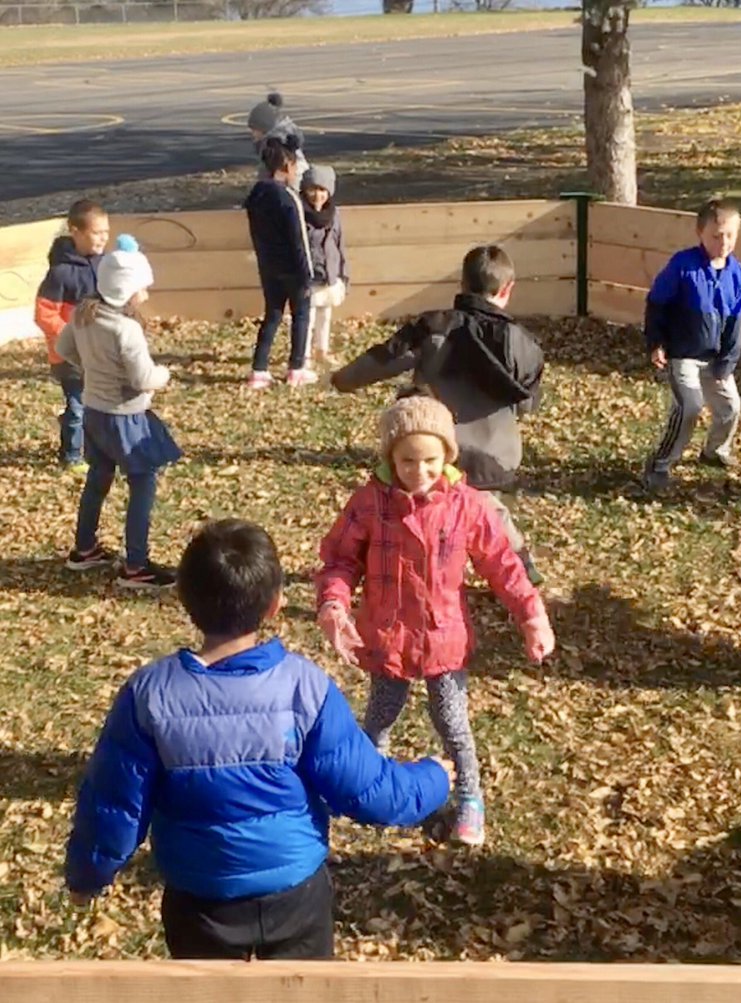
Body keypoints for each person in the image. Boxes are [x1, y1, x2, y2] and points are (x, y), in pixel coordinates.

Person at [64, 518, 451, 960]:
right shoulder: (305, 687)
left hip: (199, 900)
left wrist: (87, 876)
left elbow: (114, 805)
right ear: (276, 605)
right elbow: (370, 791)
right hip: (295, 898)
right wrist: (434, 778)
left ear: (183, 598)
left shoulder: (150, 693)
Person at [315, 394, 555, 847]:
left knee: (451, 720)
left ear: (447, 456)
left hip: (443, 637)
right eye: (407, 461)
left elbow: (502, 563)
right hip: (387, 637)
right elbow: (340, 560)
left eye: (429, 460)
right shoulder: (370, 504)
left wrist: (532, 614)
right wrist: (334, 604)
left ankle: (469, 797)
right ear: (390, 457)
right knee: (380, 717)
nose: (419, 472)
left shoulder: (468, 506)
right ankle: (366, 789)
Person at [330, 244, 546, 584]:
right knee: (485, 508)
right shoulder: (525, 344)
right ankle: (521, 569)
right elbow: (528, 404)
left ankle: (394, 565)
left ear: (461, 284)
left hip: (435, 449)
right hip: (497, 455)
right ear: (507, 290)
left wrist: (343, 380)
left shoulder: (434, 327)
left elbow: (385, 359)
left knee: (412, 499)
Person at [57, 236, 180, 591]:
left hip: (95, 411)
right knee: (143, 483)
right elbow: (143, 379)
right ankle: (137, 565)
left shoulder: (84, 314)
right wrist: (164, 375)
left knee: (99, 476)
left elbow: (64, 347)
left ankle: (84, 548)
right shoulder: (127, 330)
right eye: (143, 288)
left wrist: (94, 370)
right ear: (128, 291)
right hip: (125, 418)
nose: (146, 294)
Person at [642, 197, 741, 492]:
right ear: (700, 233)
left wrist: (728, 361)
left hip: (715, 358)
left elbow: (736, 321)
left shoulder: (737, 275)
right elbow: (656, 303)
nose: (723, 242)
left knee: (731, 407)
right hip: (683, 355)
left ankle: (714, 451)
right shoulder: (683, 266)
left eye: (730, 235)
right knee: (690, 406)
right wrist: (656, 342)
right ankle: (660, 465)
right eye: (716, 236)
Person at [34, 198, 109, 472]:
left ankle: (97, 447)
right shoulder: (60, 273)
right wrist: (71, 337)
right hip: (69, 357)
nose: (103, 238)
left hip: (99, 351)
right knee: (77, 406)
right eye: (96, 233)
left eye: (106, 233)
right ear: (76, 232)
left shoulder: (106, 265)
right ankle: (71, 455)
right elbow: (44, 313)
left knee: (99, 403)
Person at [244, 136, 315, 390]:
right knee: (301, 315)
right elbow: (299, 241)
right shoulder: (288, 198)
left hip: (269, 267)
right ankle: (297, 368)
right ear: (286, 166)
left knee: (272, 315)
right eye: (295, 167)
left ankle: (259, 369)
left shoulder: (256, 196)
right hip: (293, 270)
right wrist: (307, 274)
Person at [300, 165, 349, 367]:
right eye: (312, 189)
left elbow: (340, 244)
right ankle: (303, 355)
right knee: (307, 318)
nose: (317, 195)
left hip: (329, 273)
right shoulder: (300, 214)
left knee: (325, 316)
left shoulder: (334, 215)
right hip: (309, 275)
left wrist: (343, 275)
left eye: (322, 190)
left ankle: (322, 350)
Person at [246, 91, 308, 188]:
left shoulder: (277, 148)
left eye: (254, 129)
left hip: (289, 184)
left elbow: (291, 171)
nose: (253, 133)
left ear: (264, 128)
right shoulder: (268, 143)